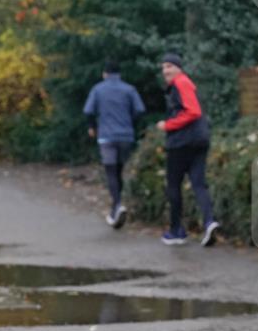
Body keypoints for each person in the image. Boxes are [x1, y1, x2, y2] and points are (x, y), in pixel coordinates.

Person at [156, 53, 220, 246]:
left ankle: (177, 231)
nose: (165, 70)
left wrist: (168, 125)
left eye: (169, 66)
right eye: (163, 67)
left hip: (182, 142)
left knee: (173, 185)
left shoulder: (181, 83)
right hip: (199, 141)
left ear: (179, 68)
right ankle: (209, 222)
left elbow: (193, 111)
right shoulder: (187, 84)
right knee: (199, 183)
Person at [83, 59, 145, 228]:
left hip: (106, 136)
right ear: (119, 74)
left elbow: (88, 110)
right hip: (126, 135)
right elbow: (140, 109)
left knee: (110, 171)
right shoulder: (129, 89)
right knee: (120, 169)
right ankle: (117, 206)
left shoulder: (98, 89)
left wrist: (91, 127)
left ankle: (117, 204)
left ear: (105, 74)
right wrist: (130, 122)